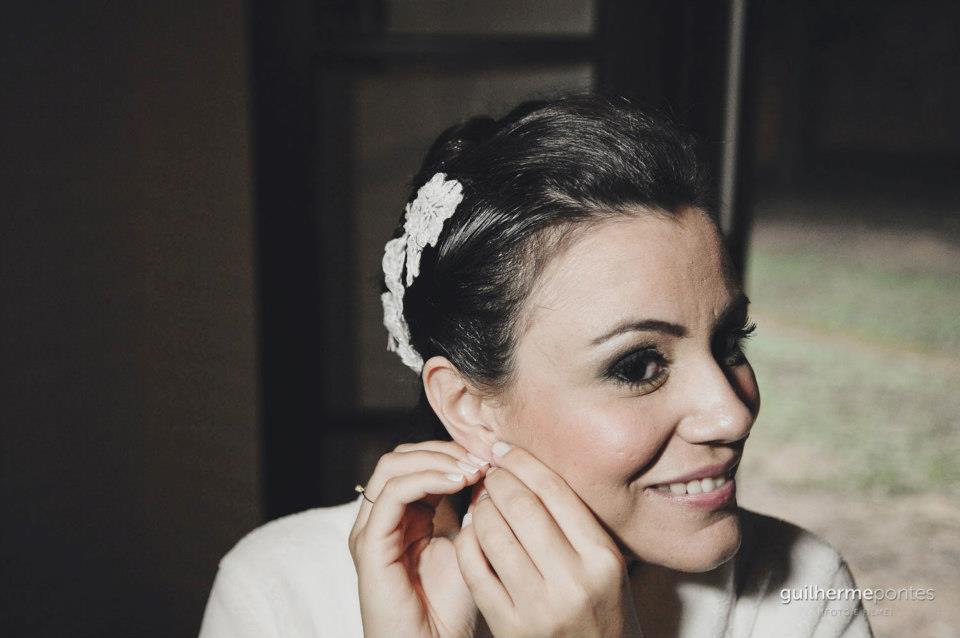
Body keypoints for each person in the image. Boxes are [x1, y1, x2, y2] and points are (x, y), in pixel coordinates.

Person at [198, 94, 873, 637]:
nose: (732, 412)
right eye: (639, 366)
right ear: (469, 408)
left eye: (729, 341)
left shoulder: (801, 594)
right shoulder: (278, 594)